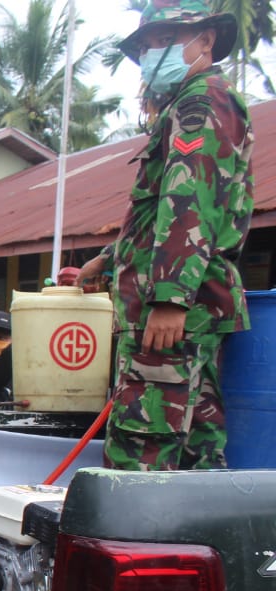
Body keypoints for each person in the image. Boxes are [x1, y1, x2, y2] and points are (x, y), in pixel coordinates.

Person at [78, 1, 252, 471]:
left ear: (206, 40)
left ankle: (137, 543)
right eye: (149, 44)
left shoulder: (200, 102)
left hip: (176, 313)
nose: (154, 52)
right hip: (190, 309)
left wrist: (170, 299)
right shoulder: (193, 102)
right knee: (195, 452)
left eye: (165, 40)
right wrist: (110, 260)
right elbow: (166, 212)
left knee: (142, 454)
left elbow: (188, 200)